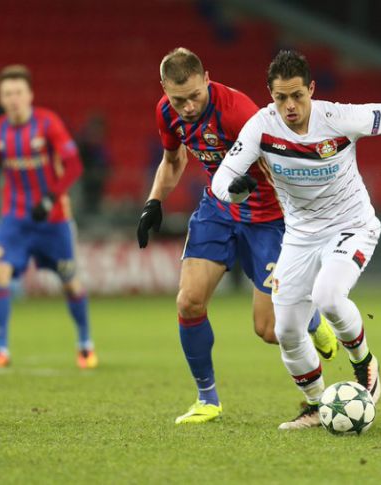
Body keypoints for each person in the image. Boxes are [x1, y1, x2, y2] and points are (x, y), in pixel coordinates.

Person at [211, 50, 381, 429]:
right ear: (271, 95)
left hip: (351, 226)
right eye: (281, 98)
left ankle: (365, 364)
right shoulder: (261, 127)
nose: (290, 106)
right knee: (286, 330)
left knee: (327, 296)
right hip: (299, 237)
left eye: (297, 96)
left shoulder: (339, 118)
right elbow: (222, 179)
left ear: (311, 89)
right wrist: (234, 191)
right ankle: (314, 405)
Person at [137, 47, 338, 424]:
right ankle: (207, 399)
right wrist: (154, 202)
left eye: (194, 96)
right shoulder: (166, 111)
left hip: (268, 219)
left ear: (207, 79)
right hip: (218, 209)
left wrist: (299, 221)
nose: (188, 107)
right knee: (189, 302)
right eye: (178, 99)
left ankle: (311, 320)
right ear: (164, 90)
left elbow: (282, 164)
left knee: (269, 329)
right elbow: (173, 159)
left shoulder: (238, 112)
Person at [0, 65, 97, 369]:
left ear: (30, 95)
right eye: (7, 94)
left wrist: (51, 197)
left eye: (18, 92)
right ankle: (1, 350)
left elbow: (74, 165)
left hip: (53, 221)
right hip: (13, 219)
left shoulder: (47, 123)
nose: (13, 99)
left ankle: (85, 344)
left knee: (70, 283)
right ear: (0, 98)